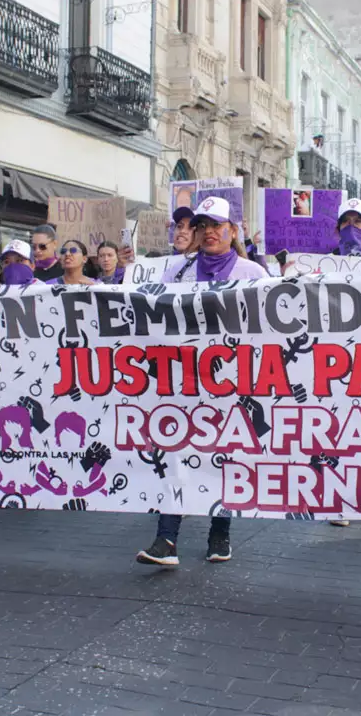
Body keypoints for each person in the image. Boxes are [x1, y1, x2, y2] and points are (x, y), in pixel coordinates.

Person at [138, 197, 268, 567]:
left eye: (217, 225)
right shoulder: (178, 271)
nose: (209, 232)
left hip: (232, 383)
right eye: (202, 226)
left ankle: (219, 532)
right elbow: (156, 314)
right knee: (176, 453)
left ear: (233, 230)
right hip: (184, 381)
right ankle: (166, 539)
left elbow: (267, 329)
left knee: (224, 455)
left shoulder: (252, 274)